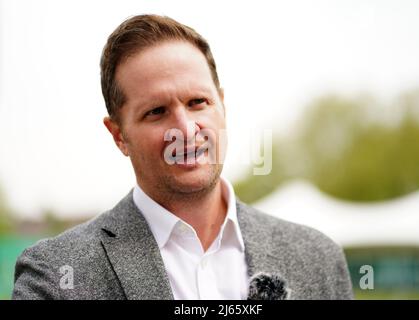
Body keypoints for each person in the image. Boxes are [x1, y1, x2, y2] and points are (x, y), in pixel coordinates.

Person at [12, 14, 353, 300]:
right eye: (157, 111)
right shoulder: (54, 276)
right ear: (119, 136)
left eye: (197, 103)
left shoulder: (318, 259)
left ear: (222, 105)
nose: (185, 130)